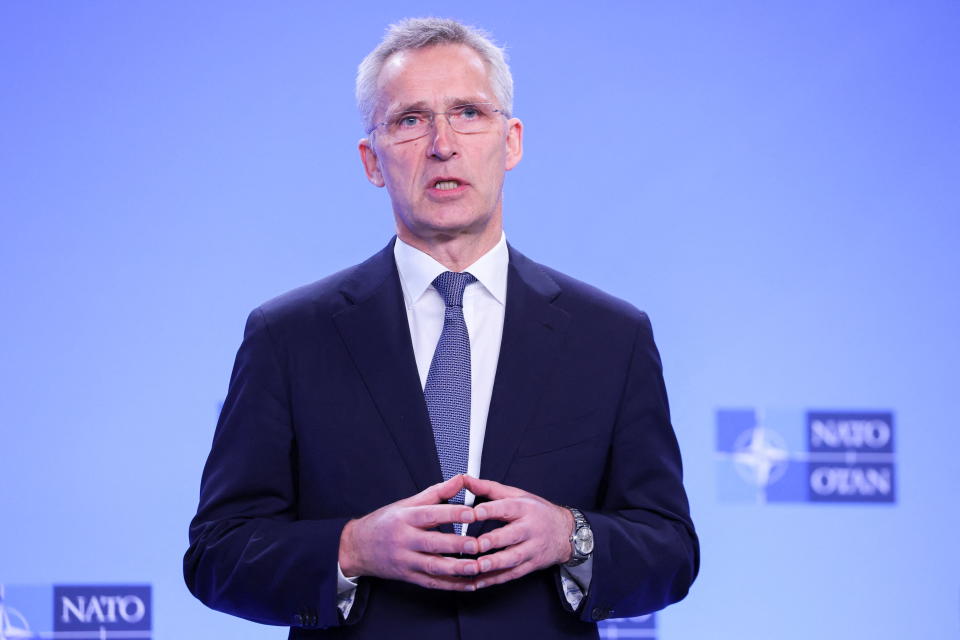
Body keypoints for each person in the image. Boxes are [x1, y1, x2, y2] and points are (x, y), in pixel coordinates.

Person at [184, 17, 699, 640]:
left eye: (468, 113)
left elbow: (670, 550)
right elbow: (217, 554)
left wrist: (571, 535)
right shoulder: (288, 336)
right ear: (371, 161)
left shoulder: (611, 336)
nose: (442, 144)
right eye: (410, 120)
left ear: (510, 142)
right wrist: (351, 548)